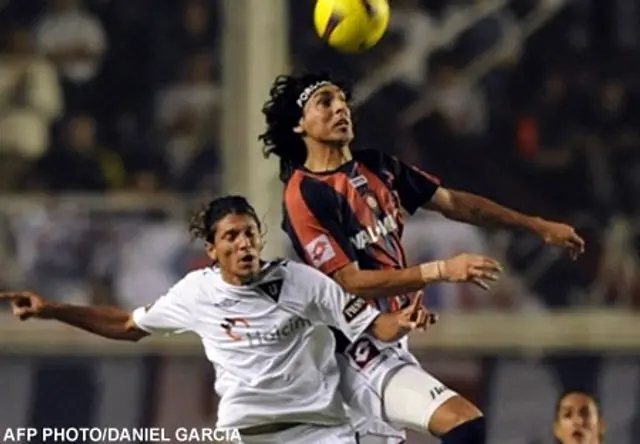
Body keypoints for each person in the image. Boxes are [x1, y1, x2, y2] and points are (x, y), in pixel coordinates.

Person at [259, 72, 586, 444]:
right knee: (465, 425)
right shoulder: (304, 194)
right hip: (348, 352)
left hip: (388, 345)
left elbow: (456, 204)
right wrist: (442, 270)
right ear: (300, 124)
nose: (340, 109)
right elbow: (348, 280)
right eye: (325, 102)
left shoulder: (377, 167)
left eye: (341, 100)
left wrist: (535, 225)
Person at [0, 195, 434, 444]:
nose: (244, 243)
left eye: (250, 233)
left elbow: (373, 326)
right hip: (243, 435)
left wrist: (404, 321)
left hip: (319, 433)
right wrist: (51, 308)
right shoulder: (196, 292)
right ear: (212, 249)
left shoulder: (302, 281)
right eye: (231, 236)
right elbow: (128, 326)